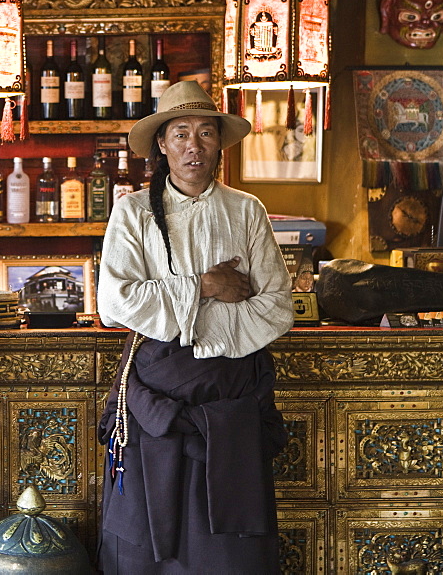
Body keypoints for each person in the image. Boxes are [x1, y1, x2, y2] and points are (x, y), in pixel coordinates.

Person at [96, 80, 294, 573]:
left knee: (229, 552)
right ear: (161, 144)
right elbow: (115, 304)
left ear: (219, 143)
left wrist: (191, 326)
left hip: (231, 399)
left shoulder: (247, 211)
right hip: (156, 397)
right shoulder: (133, 213)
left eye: (206, 133)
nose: (194, 145)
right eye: (180, 133)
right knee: (148, 540)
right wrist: (206, 286)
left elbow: (277, 308)